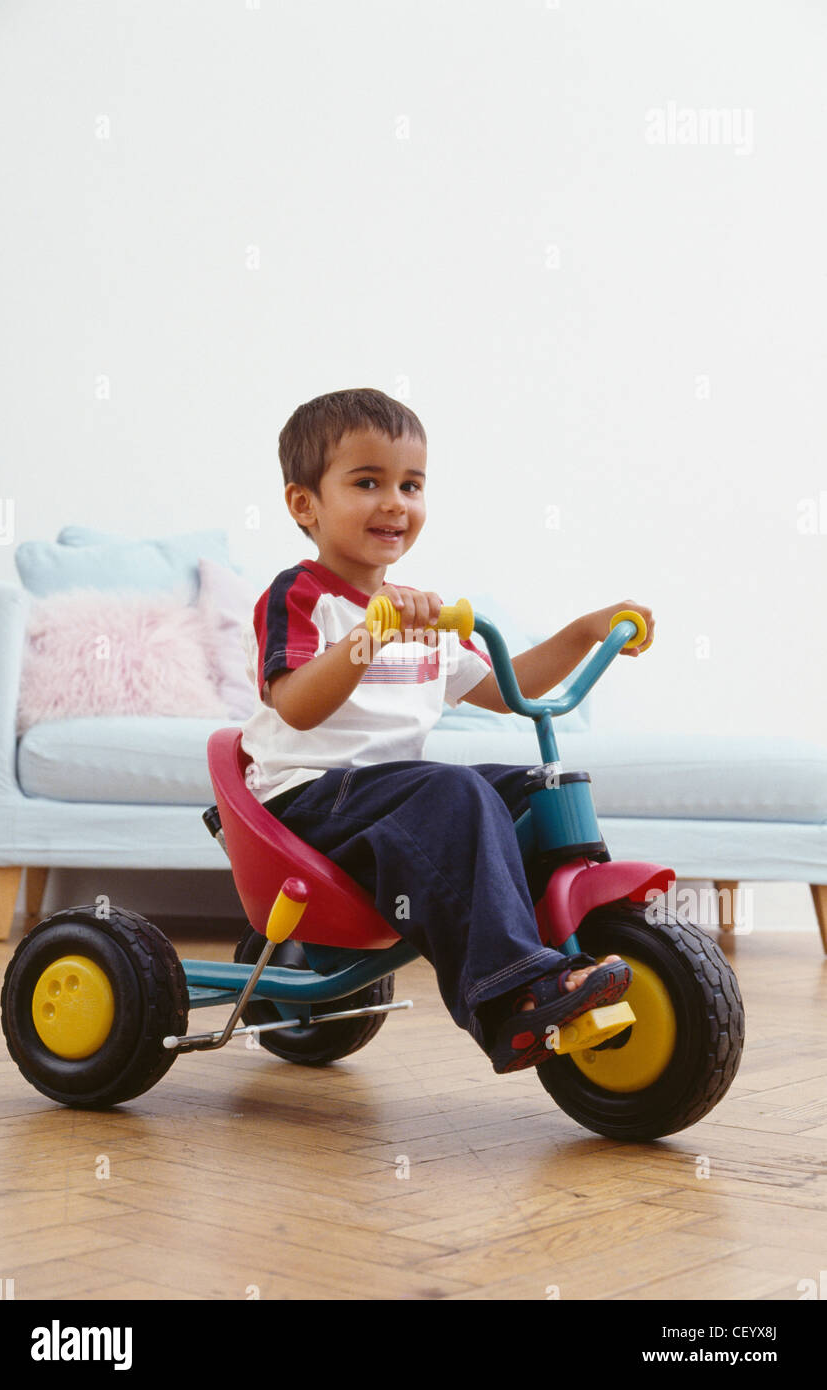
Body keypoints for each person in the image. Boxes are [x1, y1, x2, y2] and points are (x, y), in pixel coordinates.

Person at [240, 387, 655, 1073]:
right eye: (367, 482)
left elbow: (506, 689)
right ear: (303, 504)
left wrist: (584, 631)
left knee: (535, 792)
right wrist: (370, 637)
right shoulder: (300, 595)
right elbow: (297, 706)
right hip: (308, 801)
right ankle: (509, 994)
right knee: (454, 791)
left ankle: (572, 955)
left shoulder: (422, 617)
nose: (395, 502)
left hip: (383, 802)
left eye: (411, 484)